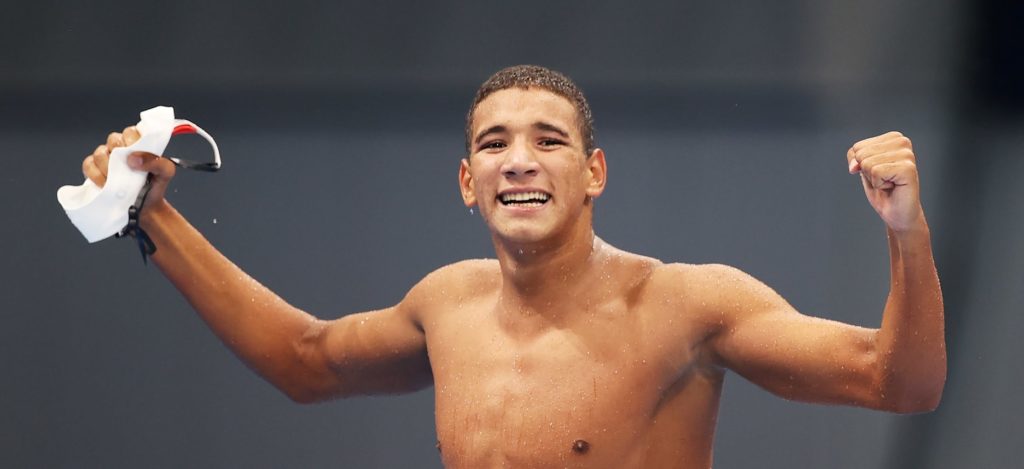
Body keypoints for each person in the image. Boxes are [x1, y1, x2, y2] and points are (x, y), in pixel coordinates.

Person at [79, 65, 945, 468]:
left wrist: (906, 233)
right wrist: (154, 217)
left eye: (549, 142)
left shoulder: (687, 304)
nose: (519, 161)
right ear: (467, 183)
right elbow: (305, 362)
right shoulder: (447, 304)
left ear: (594, 173)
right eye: (494, 144)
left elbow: (897, 383)